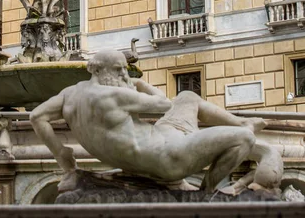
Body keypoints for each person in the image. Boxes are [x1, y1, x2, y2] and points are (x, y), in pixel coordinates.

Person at [30, 49, 283, 193]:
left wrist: (62, 155)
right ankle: (206, 193)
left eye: (123, 69)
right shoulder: (115, 94)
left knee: (187, 96)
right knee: (245, 139)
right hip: (169, 158)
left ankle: (241, 121)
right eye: (118, 69)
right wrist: (139, 83)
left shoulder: (69, 95)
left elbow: (36, 116)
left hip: (164, 138)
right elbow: (164, 103)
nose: (122, 74)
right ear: (98, 70)